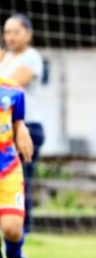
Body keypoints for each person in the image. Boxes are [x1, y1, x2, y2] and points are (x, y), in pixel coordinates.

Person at [0, 14, 44, 234]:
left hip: (25, 127)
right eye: (7, 32)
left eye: (16, 32)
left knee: (20, 178)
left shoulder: (31, 57)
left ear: (28, 34)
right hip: (3, 129)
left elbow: (12, 86)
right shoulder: (4, 58)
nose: (10, 37)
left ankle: (22, 231)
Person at [0, 77, 34, 258]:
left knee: (12, 229)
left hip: (7, 168)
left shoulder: (12, 90)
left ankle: (15, 255)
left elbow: (17, 121)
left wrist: (21, 129)